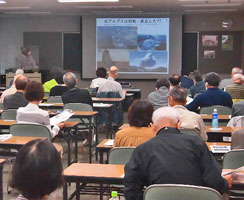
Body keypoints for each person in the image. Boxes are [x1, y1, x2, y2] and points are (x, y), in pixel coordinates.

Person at [124, 106, 232, 200]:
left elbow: (131, 188)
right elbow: (213, 180)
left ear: (152, 127)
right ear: (179, 125)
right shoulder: (196, 142)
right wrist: (225, 183)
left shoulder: (142, 149)